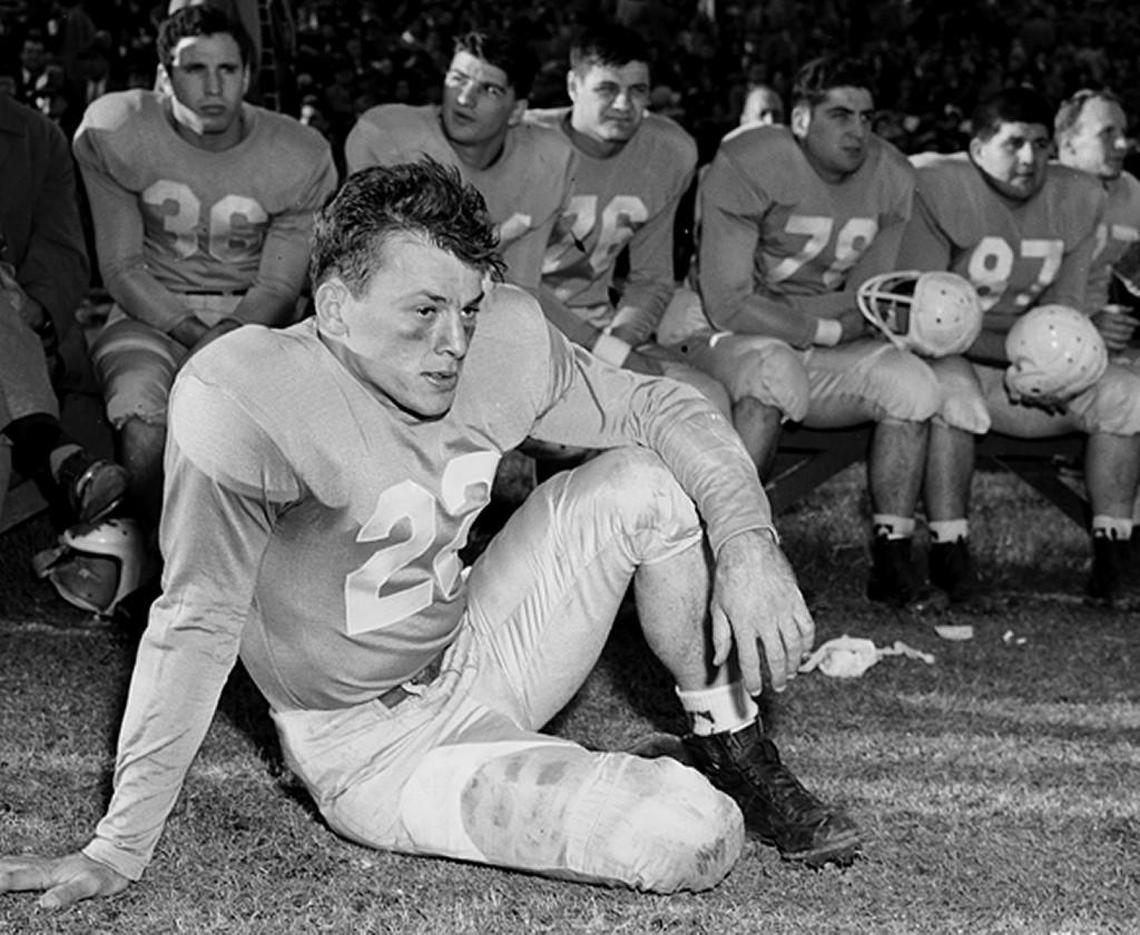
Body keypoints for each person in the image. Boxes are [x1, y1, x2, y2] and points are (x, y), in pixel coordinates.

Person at [0, 161, 861, 908]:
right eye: (422, 312)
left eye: (470, 308)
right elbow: (194, 622)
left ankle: (730, 743)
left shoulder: (499, 336)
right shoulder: (246, 397)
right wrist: (119, 844)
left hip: (477, 647)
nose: (455, 343)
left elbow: (660, 404)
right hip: (368, 745)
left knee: (650, 480)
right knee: (689, 836)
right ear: (336, 308)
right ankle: (609, 776)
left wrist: (748, 539)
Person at [669, 55, 944, 611]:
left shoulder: (891, 174)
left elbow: (871, 298)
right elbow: (728, 301)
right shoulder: (751, 161)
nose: (858, 131)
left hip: (822, 340)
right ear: (799, 119)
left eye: (867, 117)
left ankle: (893, 556)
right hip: (730, 334)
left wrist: (836, 326)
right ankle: (718, 555)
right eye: (840, 115)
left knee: (914, 385)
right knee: (774, 373)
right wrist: (822, 325)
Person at [71, 5, 337, 532]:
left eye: (228, 70)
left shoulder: (297, 153)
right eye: (195, 69)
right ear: (165, 77)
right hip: (148, 308)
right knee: (142, 409)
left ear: (247, 75)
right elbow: (122, 267)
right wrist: (198, 336)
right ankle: (155, 566)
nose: (213, 87)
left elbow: (280, 285)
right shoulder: (118, 129)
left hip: (256, 317)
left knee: (264, 427)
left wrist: (227, 339)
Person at [898, 87, 1140, 605]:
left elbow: (1067, 305)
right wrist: (1022, 355)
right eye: (1014, 143)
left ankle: (1114, 557)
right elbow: (925, 321)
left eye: (1040, 144)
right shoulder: (938, 185)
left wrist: (1058, 360)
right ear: (978, 146)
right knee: (950, 398)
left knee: (1125, 396)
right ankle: (950, 552)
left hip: (1031, 364)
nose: (1030, 158)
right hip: (960, 358)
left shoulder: (1077, 195)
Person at [525, 23, 729, 411]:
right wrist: (603, 351)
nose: (623, 104)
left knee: (707, 402)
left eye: (638, 91)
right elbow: (510, 281)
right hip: (512, 326)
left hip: (600, 324)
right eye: (607, 89)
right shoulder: (525, 143)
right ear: (573, 87)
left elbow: (651, 277)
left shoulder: (668, 150)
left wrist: (619, 342)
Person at [344, 28, 574, 297]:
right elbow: (367, 268)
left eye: (490, 90)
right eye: (458, 78)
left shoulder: (545, 158)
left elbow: (518, 286)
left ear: (516, 112)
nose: (464, 99)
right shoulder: (387, 136)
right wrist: (504, 233)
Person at [0, 90, 128, 528]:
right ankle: (54, 451)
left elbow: (63, 251)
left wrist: (33, 308)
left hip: (26, 335)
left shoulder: (36, 135)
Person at [1054, 89, 1140, 332]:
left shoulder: (1131, 192)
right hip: (1032, 340)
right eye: (1107, 133)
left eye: (1123, 132)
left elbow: (1134, 268)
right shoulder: (1034, 195)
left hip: (1100, 347)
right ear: (1069, 145)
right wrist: (1083, 326)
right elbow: (1004, 305)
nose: (1123, 144)